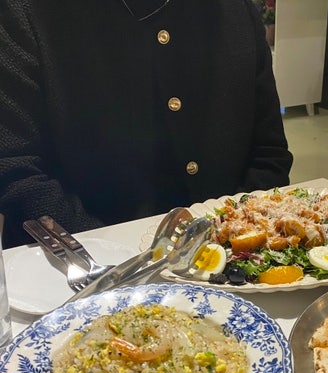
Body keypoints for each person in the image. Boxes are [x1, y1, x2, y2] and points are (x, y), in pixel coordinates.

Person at [0, 0, 293, 248]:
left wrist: (233, 241)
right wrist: (117, 255)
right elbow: (16, 171)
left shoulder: (235, 10)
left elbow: (270, 155)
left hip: (234, 266)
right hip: (84, 269)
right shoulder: (28, 12)